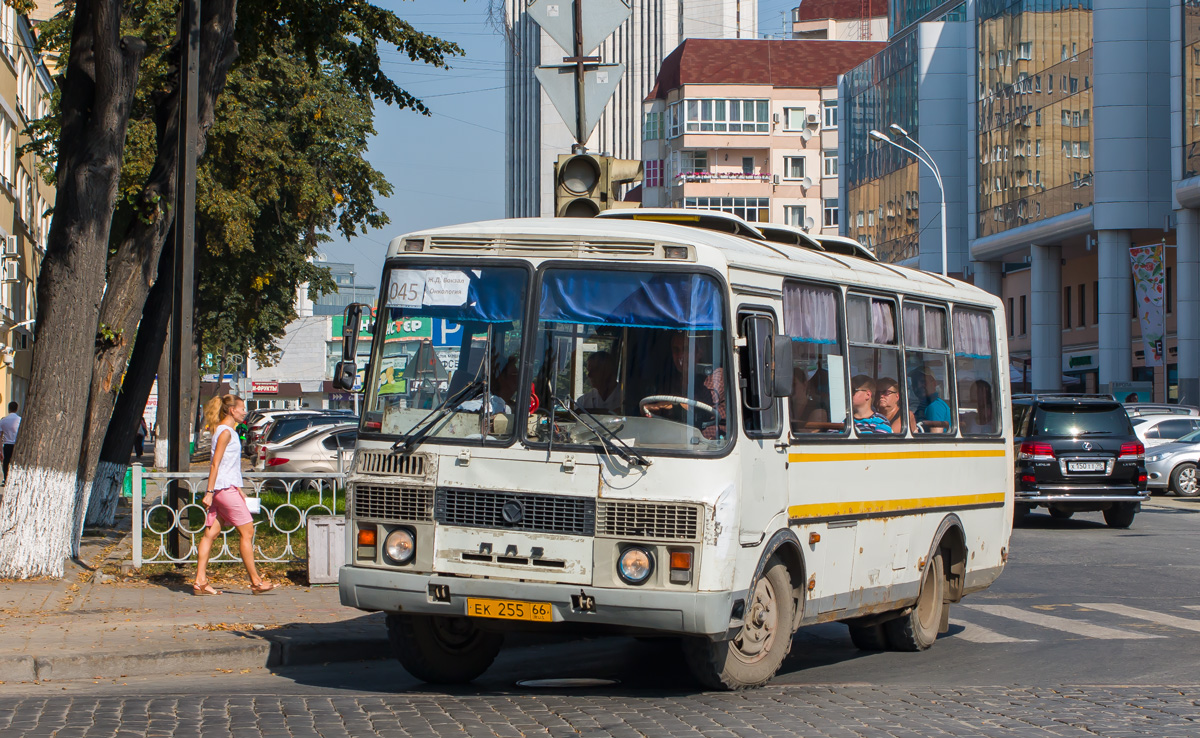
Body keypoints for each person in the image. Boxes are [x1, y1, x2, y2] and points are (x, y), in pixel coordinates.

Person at [193, 394, 274, 597]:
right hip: (222, 490)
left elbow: (228, 466)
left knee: (210, 534)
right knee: (247, 532)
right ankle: (256, 582)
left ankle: (200, 581)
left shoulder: (226, 431)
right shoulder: (226, 433)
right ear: (232, 410)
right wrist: (209, 492)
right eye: (242, 408)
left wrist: (237, 488)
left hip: (226, 488)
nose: (245, 412)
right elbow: (215, 464)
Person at [643, 332, 726, 438]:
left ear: (699, 352)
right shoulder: (672, 381)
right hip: (678, 443)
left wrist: (660, 406)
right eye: (676, 350)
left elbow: (698, 405)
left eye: (686, 349)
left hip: (712, 445)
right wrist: (654, 412)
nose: (680, 356)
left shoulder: (716, 375)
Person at [789, 368, 829, 433]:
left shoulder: (818, 409)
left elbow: (811, 433)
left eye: (793, 384)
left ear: (805, 385)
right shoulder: (785, 409)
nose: (790, 389)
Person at [0, 401, 19, 483]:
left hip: (7, 444)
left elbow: (0, 437)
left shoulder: (3, 421)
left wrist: (0, 450)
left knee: (6, 461)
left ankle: (6, 478)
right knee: (16, 462)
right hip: (17, 444)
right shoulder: (20, 420)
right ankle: (16, 478)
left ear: (8, 409)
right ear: (17, 409)